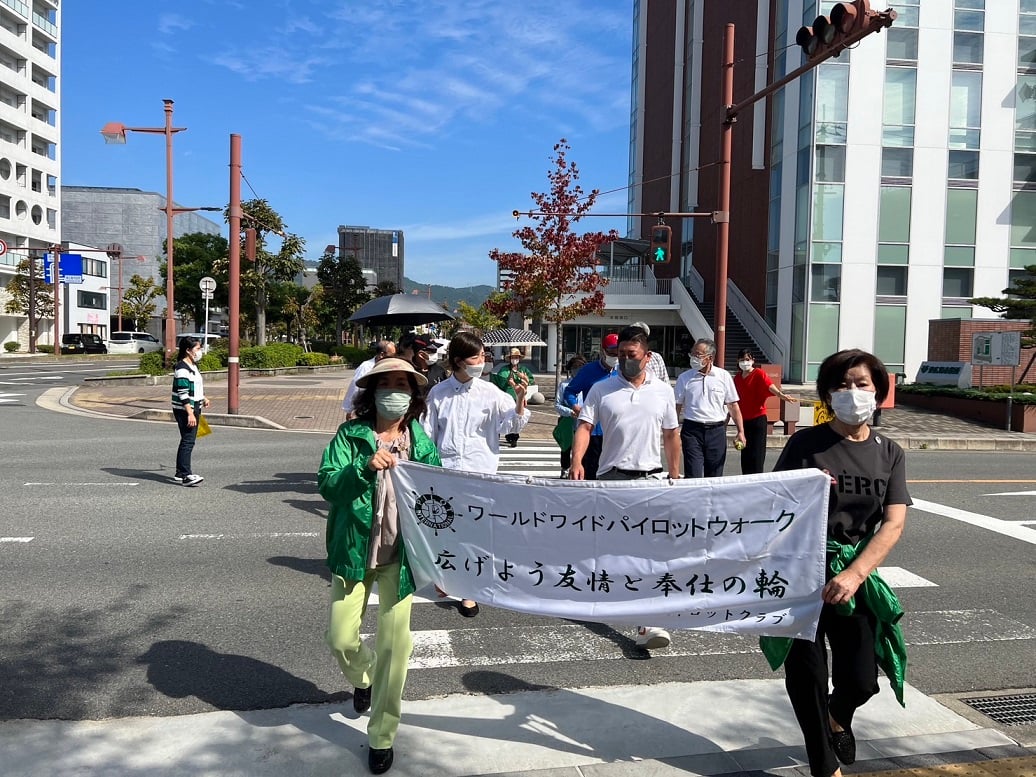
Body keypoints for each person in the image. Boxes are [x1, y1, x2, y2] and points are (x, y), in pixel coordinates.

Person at [763, 349, 910, 777]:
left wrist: (855, 573)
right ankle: (825, 768)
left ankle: (837, 715)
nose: (852, 392)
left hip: (854, 576)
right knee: (808, 677)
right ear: (827, 393)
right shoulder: (807, 443)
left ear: (878, 392)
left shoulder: (890, 453)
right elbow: (770, 504)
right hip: (801, 574)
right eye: (841, 385)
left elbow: (893, 522)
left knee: (862, 678)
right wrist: (805, 493)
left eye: (861, 384)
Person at [317, 357, 440, 775]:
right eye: (385, 384)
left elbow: (437, 502)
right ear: (372, 392)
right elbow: (327, 484)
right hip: (354, 552)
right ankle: (363, 675)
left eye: (402, 385)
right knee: (340, 637)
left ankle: (382, 736)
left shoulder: (421, 443)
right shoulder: (350, 436)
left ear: (413, 394)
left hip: (400, 560)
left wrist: (443, 566)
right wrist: (362, 467)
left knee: (395, 648)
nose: (394, 392)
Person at [570, 326, 681, 650]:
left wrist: (675, 473)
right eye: (620, 356)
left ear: (647, 357)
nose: (625, 361)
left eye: (631, 356)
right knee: (617, 550)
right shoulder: (602, 390)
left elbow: (671, 435)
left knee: (650, 550)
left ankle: (648, 620)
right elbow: (585, 427)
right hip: (611, 478)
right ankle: (619, 599)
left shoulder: (662, 391)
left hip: (651, 478)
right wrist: (577, 462)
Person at [423, 332, 530, 617]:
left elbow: (511, 426)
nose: (482, 362)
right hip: (446, 472)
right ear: (458, 361)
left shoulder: (490, 393)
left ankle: (469, 590)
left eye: (484, 356)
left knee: (475, 530)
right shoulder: (439, 393)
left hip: (480, 472)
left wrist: (519, 400)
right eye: (476, 357)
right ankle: (446, 576)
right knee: (446, 530)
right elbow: (426, 435)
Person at [673, 338, 746, 478]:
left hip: (717, 431)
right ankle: (694, 499)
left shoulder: (723, 376)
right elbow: (676, 405)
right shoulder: (684, 378)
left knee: (714, 476)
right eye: (692, 354)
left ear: (710, 358)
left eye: (698, 355)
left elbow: (733, 405)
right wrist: (673, 430)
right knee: (693, 474)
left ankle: (712, 500)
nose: (693, 358)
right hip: (692, 431)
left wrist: (740, 431)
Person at [562, 333, 620, 479]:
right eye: (611, 352)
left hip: (615, 432)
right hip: (592, 432)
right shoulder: (589, 370)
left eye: (618, 352)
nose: (615, 355)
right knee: (590, 474)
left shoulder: (623, 372)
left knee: (613, 475)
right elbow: (570, 391)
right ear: (603, 351)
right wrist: (576, 407)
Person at [732, 348, 798, 475]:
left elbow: (770, 386)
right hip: (743, 421)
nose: (745, 362)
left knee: (757, 455)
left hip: (758, 419)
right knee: (745, 455)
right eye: (742, 360)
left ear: (752, 360)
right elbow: (733, 401)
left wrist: (781, 395)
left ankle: (757, 481)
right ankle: (746, 480)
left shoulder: (759, 373)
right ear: (738, 361)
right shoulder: (737, 378)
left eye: (747, 359)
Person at [171, 336, 210, 487]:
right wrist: (190, 413)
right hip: (185, 410)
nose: (200, 351)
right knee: (188, 441)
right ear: (188, 350)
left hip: (194, 406)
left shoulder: (192, 365)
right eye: (198, 348)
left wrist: (203, 398)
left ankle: (180, 473)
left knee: (187, 440)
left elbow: (194, 387)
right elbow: (183, 393)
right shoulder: (182, 369)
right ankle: (186, 475)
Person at [490, 347, 534, 447]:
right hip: (508, 397)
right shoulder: (504, 369)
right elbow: (500, 381)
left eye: (517, 357)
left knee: (518, 417)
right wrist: (508, 382)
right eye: (513, 357)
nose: (515, 359)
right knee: (507, 415)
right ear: (509, 358)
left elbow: (530, 380)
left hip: (520, 397)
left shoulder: (523, 369)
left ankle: (514, 437)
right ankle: (508, 435)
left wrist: (524, 378)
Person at [554, 355, 587, 478]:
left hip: (584, 422)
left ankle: (581, 467)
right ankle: (565, 469)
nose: (577, 370)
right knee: (566, 447)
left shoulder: (588, 384)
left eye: (580, 367)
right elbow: (557, 404)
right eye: (574, 367)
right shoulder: (564, 385)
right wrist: (569, 411)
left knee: (582, 446)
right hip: (567, 421)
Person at [343, 340, 396, 416]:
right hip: (367, 410)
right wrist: (350, 410)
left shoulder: (392, 367)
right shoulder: (366, 367)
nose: (394, 358)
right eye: (392, 355)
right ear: (382, 355)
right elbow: (355, 389)